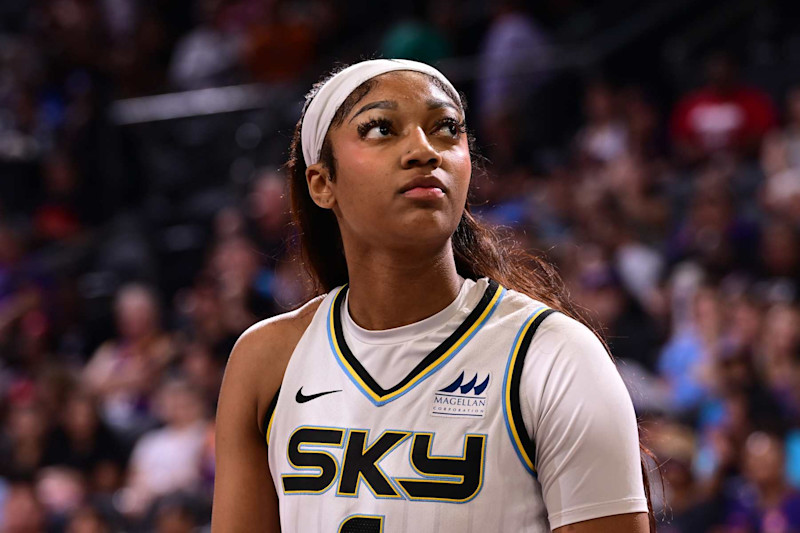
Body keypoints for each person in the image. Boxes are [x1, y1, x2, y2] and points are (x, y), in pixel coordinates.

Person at [212, 58, 651, 532]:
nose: (424, 150)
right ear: (322, 183)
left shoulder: (554, 356)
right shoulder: (266, 360)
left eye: (445, 128)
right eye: (380, 128)